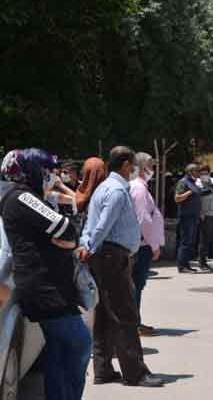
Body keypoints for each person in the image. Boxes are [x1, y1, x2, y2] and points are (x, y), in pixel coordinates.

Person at [0, 149, 92, 400]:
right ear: (33, 172)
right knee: (78, 343)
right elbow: (66, 228)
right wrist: (64, 238)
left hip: (52, 286)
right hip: (44, 288)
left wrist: (65, 238)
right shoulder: (21, 198)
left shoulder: (30, 196)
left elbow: (68, 229)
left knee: (61, 351)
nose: (54, 177)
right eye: (49, 172)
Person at [78, 146, 163, 387]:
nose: (136, 170)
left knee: (105, 315)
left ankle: (103, 369)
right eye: (134, 164)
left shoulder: (105, 188)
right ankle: (135, 373)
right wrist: (90, 245)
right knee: (126, 315)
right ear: (126, 165)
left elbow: (91, 224)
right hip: (112, 257)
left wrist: (88, 245)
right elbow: (102, 225)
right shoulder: (115, 190)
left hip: (106, 257)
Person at [129, 152, 165, 337]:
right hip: (142, 245)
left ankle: (136, 322)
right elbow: (143, 219)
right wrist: (154, 244)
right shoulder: (139, 188)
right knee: (136, 284)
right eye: (151, 165)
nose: (153, 169)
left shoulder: (140, 187)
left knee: (137, 285)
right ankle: (134, 324)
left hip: (141, 244)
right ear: (143, 167)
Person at [174, 163, 202, 273]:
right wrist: (190, 192)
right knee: (185, 241)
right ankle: (182, 266)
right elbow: (177, 198)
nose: (198, 173)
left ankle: (186, 264)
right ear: (190, 172)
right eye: (197, 171)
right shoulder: (183, 182)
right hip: (186, 216)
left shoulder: (193, 182)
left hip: (194, 216)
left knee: (190, 242)